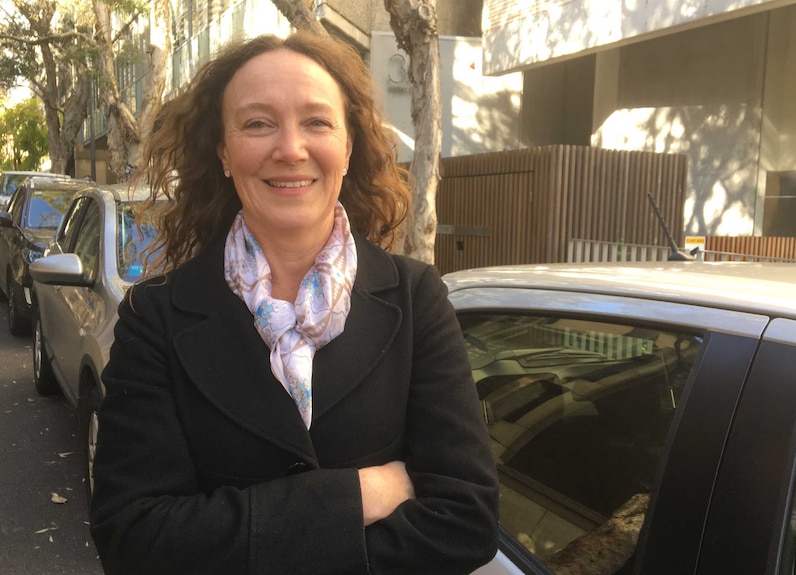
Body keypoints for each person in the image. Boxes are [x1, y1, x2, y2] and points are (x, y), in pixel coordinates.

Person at [89, 31, 500, 575]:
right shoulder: (156, 317)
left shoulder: (416, 298)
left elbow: (466, 522)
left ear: (348, 147)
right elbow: (134, 536)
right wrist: (357, 496)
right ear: (224, 153)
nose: (289, 148)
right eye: (258, 123)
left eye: (317, 122)